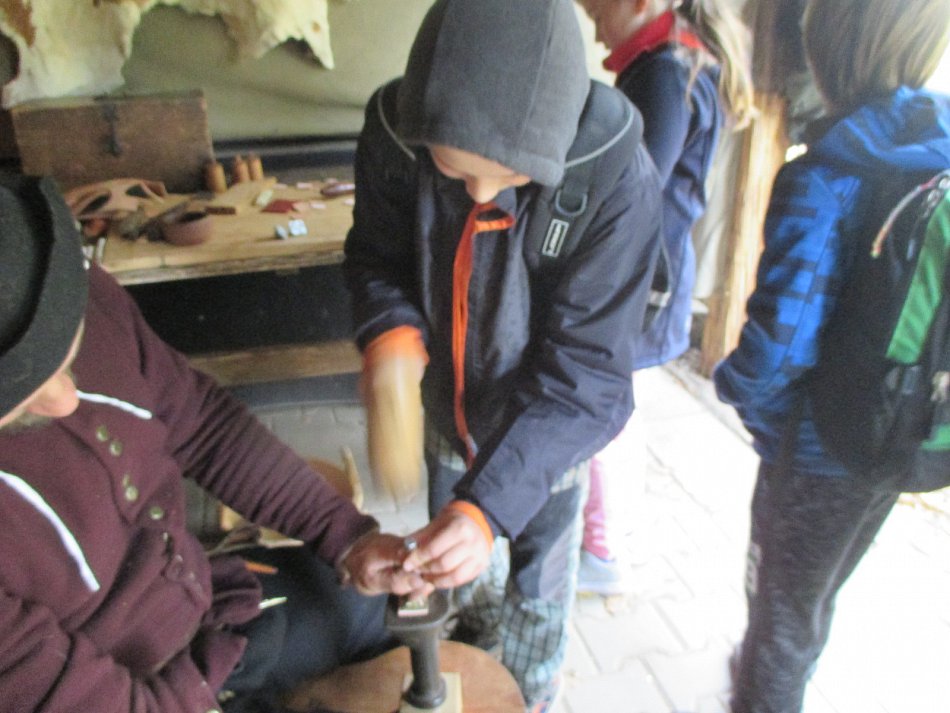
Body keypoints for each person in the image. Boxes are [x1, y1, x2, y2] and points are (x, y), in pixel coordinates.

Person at [0, 172, 428, 713]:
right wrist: (200, 686)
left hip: (209, 616)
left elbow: (202, 425)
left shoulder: (69, 289)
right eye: (16, 401)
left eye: (69, 358)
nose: (66, 401)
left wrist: (343, 535)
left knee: (371, 615)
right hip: (130, 690)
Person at [341, 0, 663, 708]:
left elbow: (586, 377)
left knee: (536, 590)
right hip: (448, 413)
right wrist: (392, 337)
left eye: (511, 178)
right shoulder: (397, 139)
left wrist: (487, 508)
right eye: (453, 171)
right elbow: (376, 256)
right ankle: (466, 670)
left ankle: (531, 695)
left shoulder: (614, 181)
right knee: (456, 573)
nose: (481, 194)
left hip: (553, 434)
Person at [712, 1, 950, 711]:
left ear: (825, 48)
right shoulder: (936, 149)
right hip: (898, 437)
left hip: (815, 451)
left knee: (779, 617)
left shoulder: (826, 174)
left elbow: (776, 351)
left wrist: (737, 391)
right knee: (815, 595)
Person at [576, 0, 753, 593]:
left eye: (596, 11)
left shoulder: (663, 73)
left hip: (645, 279)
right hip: (657, 270)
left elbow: (632, 189)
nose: (594, 27)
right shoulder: (674, 61)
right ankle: (608, 536)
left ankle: (602, 551)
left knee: (606, 411)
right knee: (618, 409)